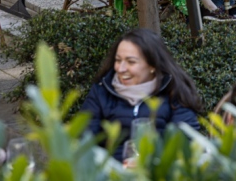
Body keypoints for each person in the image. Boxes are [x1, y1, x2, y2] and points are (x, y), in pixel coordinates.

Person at [80, 29, 201, 162]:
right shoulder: (101, 92)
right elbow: (84, 143)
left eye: (131, 62)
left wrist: (151, 164)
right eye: (118, 60)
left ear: (152, 65)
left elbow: (185, 144)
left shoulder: (174, 92)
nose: (121, 68)